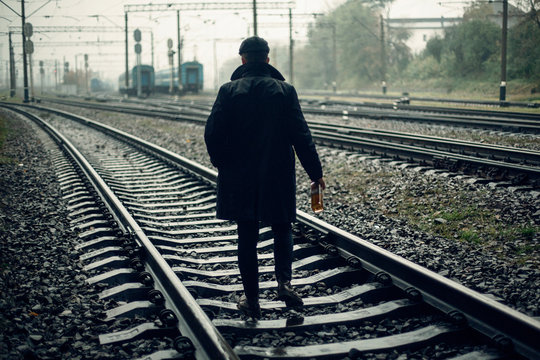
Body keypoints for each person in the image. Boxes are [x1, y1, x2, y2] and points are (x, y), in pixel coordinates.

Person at [204, 36, 325, 319]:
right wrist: (315, 173)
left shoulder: (228, 91)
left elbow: (212, 133)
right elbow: (301, 135)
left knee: (246, 236)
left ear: (243, 60)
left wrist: (223, 164)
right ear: (267, 60)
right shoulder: (285, 91)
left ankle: (252, 301)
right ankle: (284, 283)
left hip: (240, 176)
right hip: (277, 174)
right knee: (282, 228)